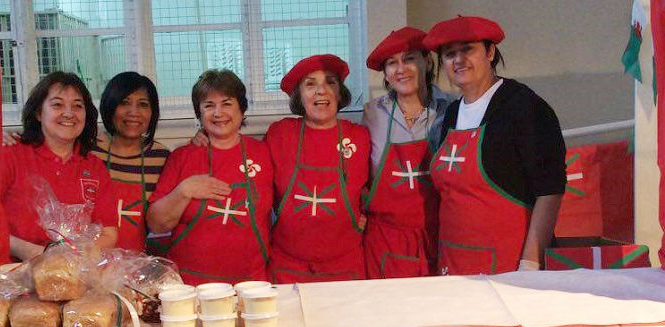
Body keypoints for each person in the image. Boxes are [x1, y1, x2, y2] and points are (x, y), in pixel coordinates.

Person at [425, 16, 566, 275]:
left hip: (508, 265)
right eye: (449, 54)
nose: (458, 60)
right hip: (453, 261)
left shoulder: (525, 107)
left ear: (490, 52)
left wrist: (530, 264)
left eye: (468, 49)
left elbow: (550, 191)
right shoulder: (452, 113)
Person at [147, 69, 273, 285]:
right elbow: (157, 224)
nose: (218, 113)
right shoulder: (182, 157)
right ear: (199, 113)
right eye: (208, 105)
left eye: (227, 103)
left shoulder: (264, 152)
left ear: (241, 109)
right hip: (188, 284)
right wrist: (184, 190)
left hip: (250, 283)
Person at [266, 54, 370, 283]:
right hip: (288, 266)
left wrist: (365, 214)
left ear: (340, 92)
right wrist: (206, 135)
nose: (321, 91)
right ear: (299, 96)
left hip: (345, 267)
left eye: (330, 82)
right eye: (310, 84)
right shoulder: (280, 134)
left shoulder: (359, 136)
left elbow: (375, 187)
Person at [361, 27, 455, 278]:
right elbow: (358, 175)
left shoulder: (453, 109)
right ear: (385, 74)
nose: (400, 69)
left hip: (439, 234)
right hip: (386, 239)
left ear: (426, 61)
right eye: (392, 63)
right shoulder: (372, 114)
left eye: (409, 58)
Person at [0, 71, 118, 261]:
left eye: (77, 106)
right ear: (39, 112)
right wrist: (41, 255)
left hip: (75, 275)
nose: (69, 113)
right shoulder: (10, 154)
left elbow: (109, 234)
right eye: (57, 104)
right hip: (14, 274)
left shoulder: (95, 167)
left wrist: (77, 256)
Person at [90, 72, 170, 252]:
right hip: (91, 262)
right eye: (124, 103)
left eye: (143, 105)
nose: (134, 113)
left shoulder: (163, 158)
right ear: (109, 107)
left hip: (140, 265)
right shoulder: (89, 152)